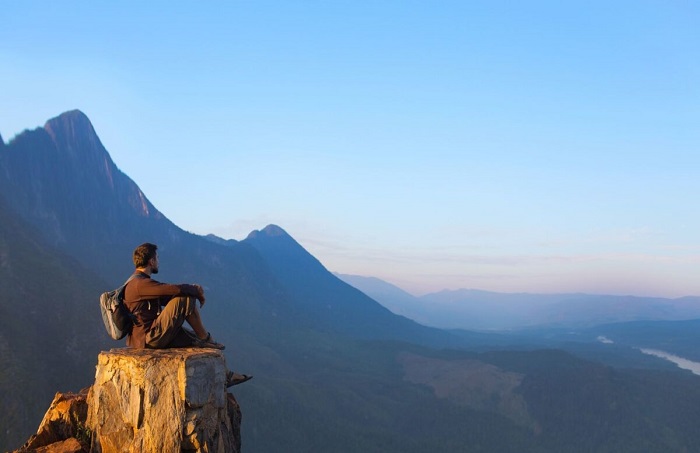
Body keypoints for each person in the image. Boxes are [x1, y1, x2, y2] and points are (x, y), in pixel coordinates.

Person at [124, 242, 252, 386]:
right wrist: (195, 291)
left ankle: (226, 375)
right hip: (149, 338)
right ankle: (206, 337)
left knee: (194, 339)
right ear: (151, 261)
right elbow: (173, 290)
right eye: (157, 258)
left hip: (151, 335)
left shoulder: (141, 283)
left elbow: (167, 297)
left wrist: (193, 291)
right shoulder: (139, 285)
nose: (158, 262)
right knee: (185, 298)